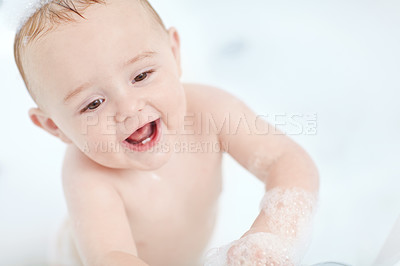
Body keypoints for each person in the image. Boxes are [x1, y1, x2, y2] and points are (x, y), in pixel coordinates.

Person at [12, 0, 320, 265]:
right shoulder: (88, 176)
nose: (129, 108)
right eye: (93, 104)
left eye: (141, 75)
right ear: (55, 127)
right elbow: (113, 257)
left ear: (174, 53)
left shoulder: (211, 111)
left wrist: (271, 238)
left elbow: (286, 160)